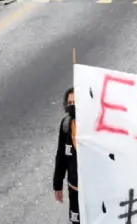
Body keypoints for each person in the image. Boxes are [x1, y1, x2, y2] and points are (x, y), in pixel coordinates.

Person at [53, 87, 79, 223]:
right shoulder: (66, 125)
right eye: (70, 103)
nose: (72, 106)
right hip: (75, 189)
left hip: (95, 192)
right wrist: (57, 185)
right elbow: (61, 157)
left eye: (76, 102)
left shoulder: (94, 126)